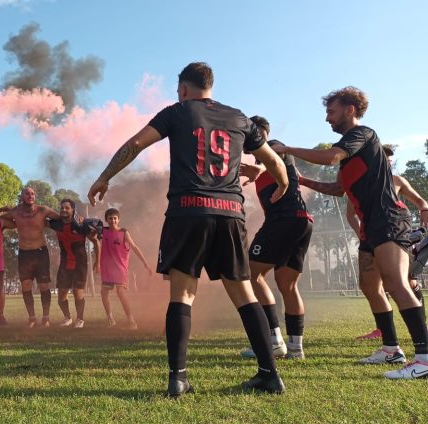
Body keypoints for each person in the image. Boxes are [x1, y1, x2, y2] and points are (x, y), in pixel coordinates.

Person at [88, 62, 289, 397]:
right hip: (229, 214)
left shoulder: (177, 112)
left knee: (182, 295)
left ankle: (178, 378)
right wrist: (281, 184)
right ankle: (270, 375)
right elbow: (275, 162)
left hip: (188, 212)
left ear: (183, 88)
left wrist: (105, 176)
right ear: (210, 86)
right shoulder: (240, 118)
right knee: (244, 293)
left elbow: (135, 144)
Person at [272, 86, 428, 379]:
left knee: (396, 284)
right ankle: (391, 349)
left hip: (389, 219)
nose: (327, 118)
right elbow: (337, 188)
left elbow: (330, 157)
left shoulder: (363, 135)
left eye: (331, 111)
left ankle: (425, 357)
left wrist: (288, 149)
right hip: (371, 225)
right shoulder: (347, 157)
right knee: (370, 287)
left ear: (350, 110)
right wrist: (301, 179)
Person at [238, 116, 313, 360]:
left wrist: (259, 169)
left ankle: (274, 341)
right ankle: (295, 348)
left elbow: (275, 160)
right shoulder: (268, 158)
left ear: (259, 131)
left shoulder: (276, 147)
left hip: (284, 220)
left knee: (252, 272)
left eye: (248, 132)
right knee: (287, 285)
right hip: (302, 221)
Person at [351, 145, 428, 340]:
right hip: (371, 238)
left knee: (406, 281)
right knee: (372, 286)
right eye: (384, 158)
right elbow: (350, 214)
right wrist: (362, 234)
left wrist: (424, 211)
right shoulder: (358, 184)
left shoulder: (397, 181)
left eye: (390, 159)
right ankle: (385, 335)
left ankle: (422, 333)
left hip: (396, 235)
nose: (388, 162)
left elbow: (421, 202)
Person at [2, 187, 61, 328]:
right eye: (27, 193)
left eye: (33, 193)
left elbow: (62, 217)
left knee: (44, 286)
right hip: (24, 253)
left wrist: (78, 218)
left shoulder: (43, 210)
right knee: (26, 286)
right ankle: (32, 317)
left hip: (41, 252)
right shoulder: (15, 212)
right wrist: (1, 209)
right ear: (21, 196)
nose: (30, 195)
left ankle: (46, 317)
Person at [98, 208, 151, 330]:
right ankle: (110, 319)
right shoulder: (103, 231)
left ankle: (132, 322)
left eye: (115, 218)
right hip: (107, 267)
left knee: (120, 292)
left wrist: (145, 263)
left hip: (120, 267)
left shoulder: (124, 232)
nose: (112, 220)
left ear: (119, 219)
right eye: (110, 218)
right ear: (106, 220)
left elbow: (134, 247)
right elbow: (89, 229)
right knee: (104, 293)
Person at [50, 199, 100, 328]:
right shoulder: (56, 223)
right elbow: (41, 219)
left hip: (80, 264)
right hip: (65, 264)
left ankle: (80, 319)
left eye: (67, 208)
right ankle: (67, 318)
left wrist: (97, 262)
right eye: (62, 208)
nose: (64, 210)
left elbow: (96, 242)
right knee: (61, 296)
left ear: (73, 210)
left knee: (78, 293)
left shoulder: (81, 225)